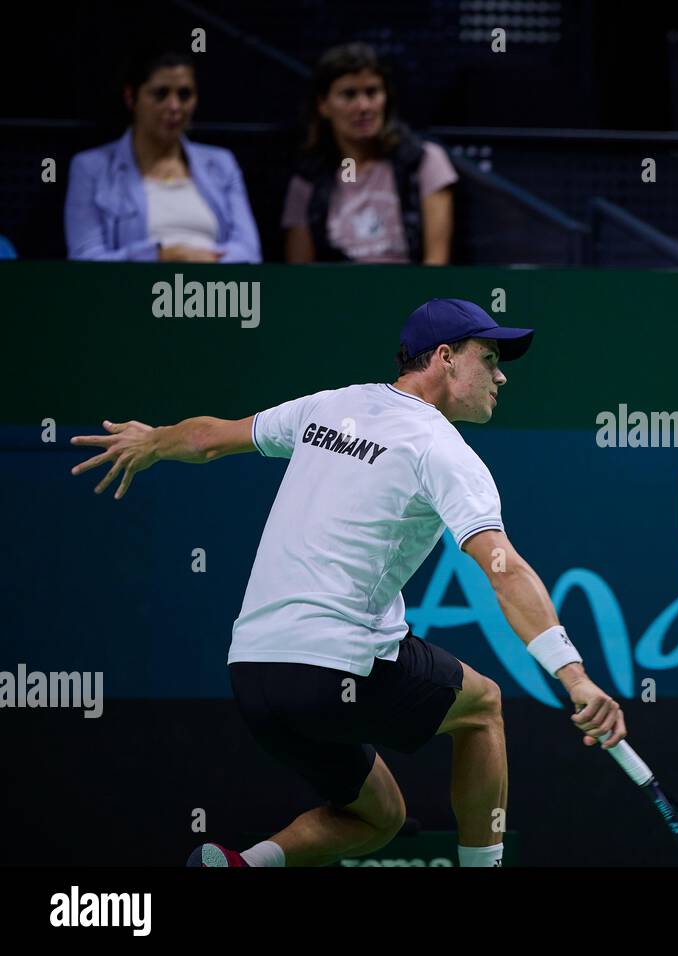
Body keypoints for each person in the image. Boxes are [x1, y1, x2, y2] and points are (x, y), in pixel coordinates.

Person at [69, 298, 627, 868]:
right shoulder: (443, 450)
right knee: (482, 706)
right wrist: (575, 677)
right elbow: (502, 568)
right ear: (445, 358)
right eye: (489, 357)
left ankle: (239, 866)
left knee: (378, 817)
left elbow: (211, 439)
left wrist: (152, 441)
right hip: (332, 664)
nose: (501, 375)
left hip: (253, 673)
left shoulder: (332, 407)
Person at [64, 48, 261, 263]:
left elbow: (249, 251)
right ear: (131, 97)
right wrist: (159, 256)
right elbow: (85, 259)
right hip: (133, 292)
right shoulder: (90, 167)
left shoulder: (221, 163)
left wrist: (204, 262)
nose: (174, 106)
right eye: (161, 94)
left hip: (213, 292)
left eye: (184, 94)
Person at [283, 43, 456, 264]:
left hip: (412, 296)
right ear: (323, 105)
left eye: (372, 92)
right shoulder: (307, 179)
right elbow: (299, 276)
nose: (363, 106)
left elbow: (436, 266)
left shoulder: (425, 161)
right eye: (349, 95)